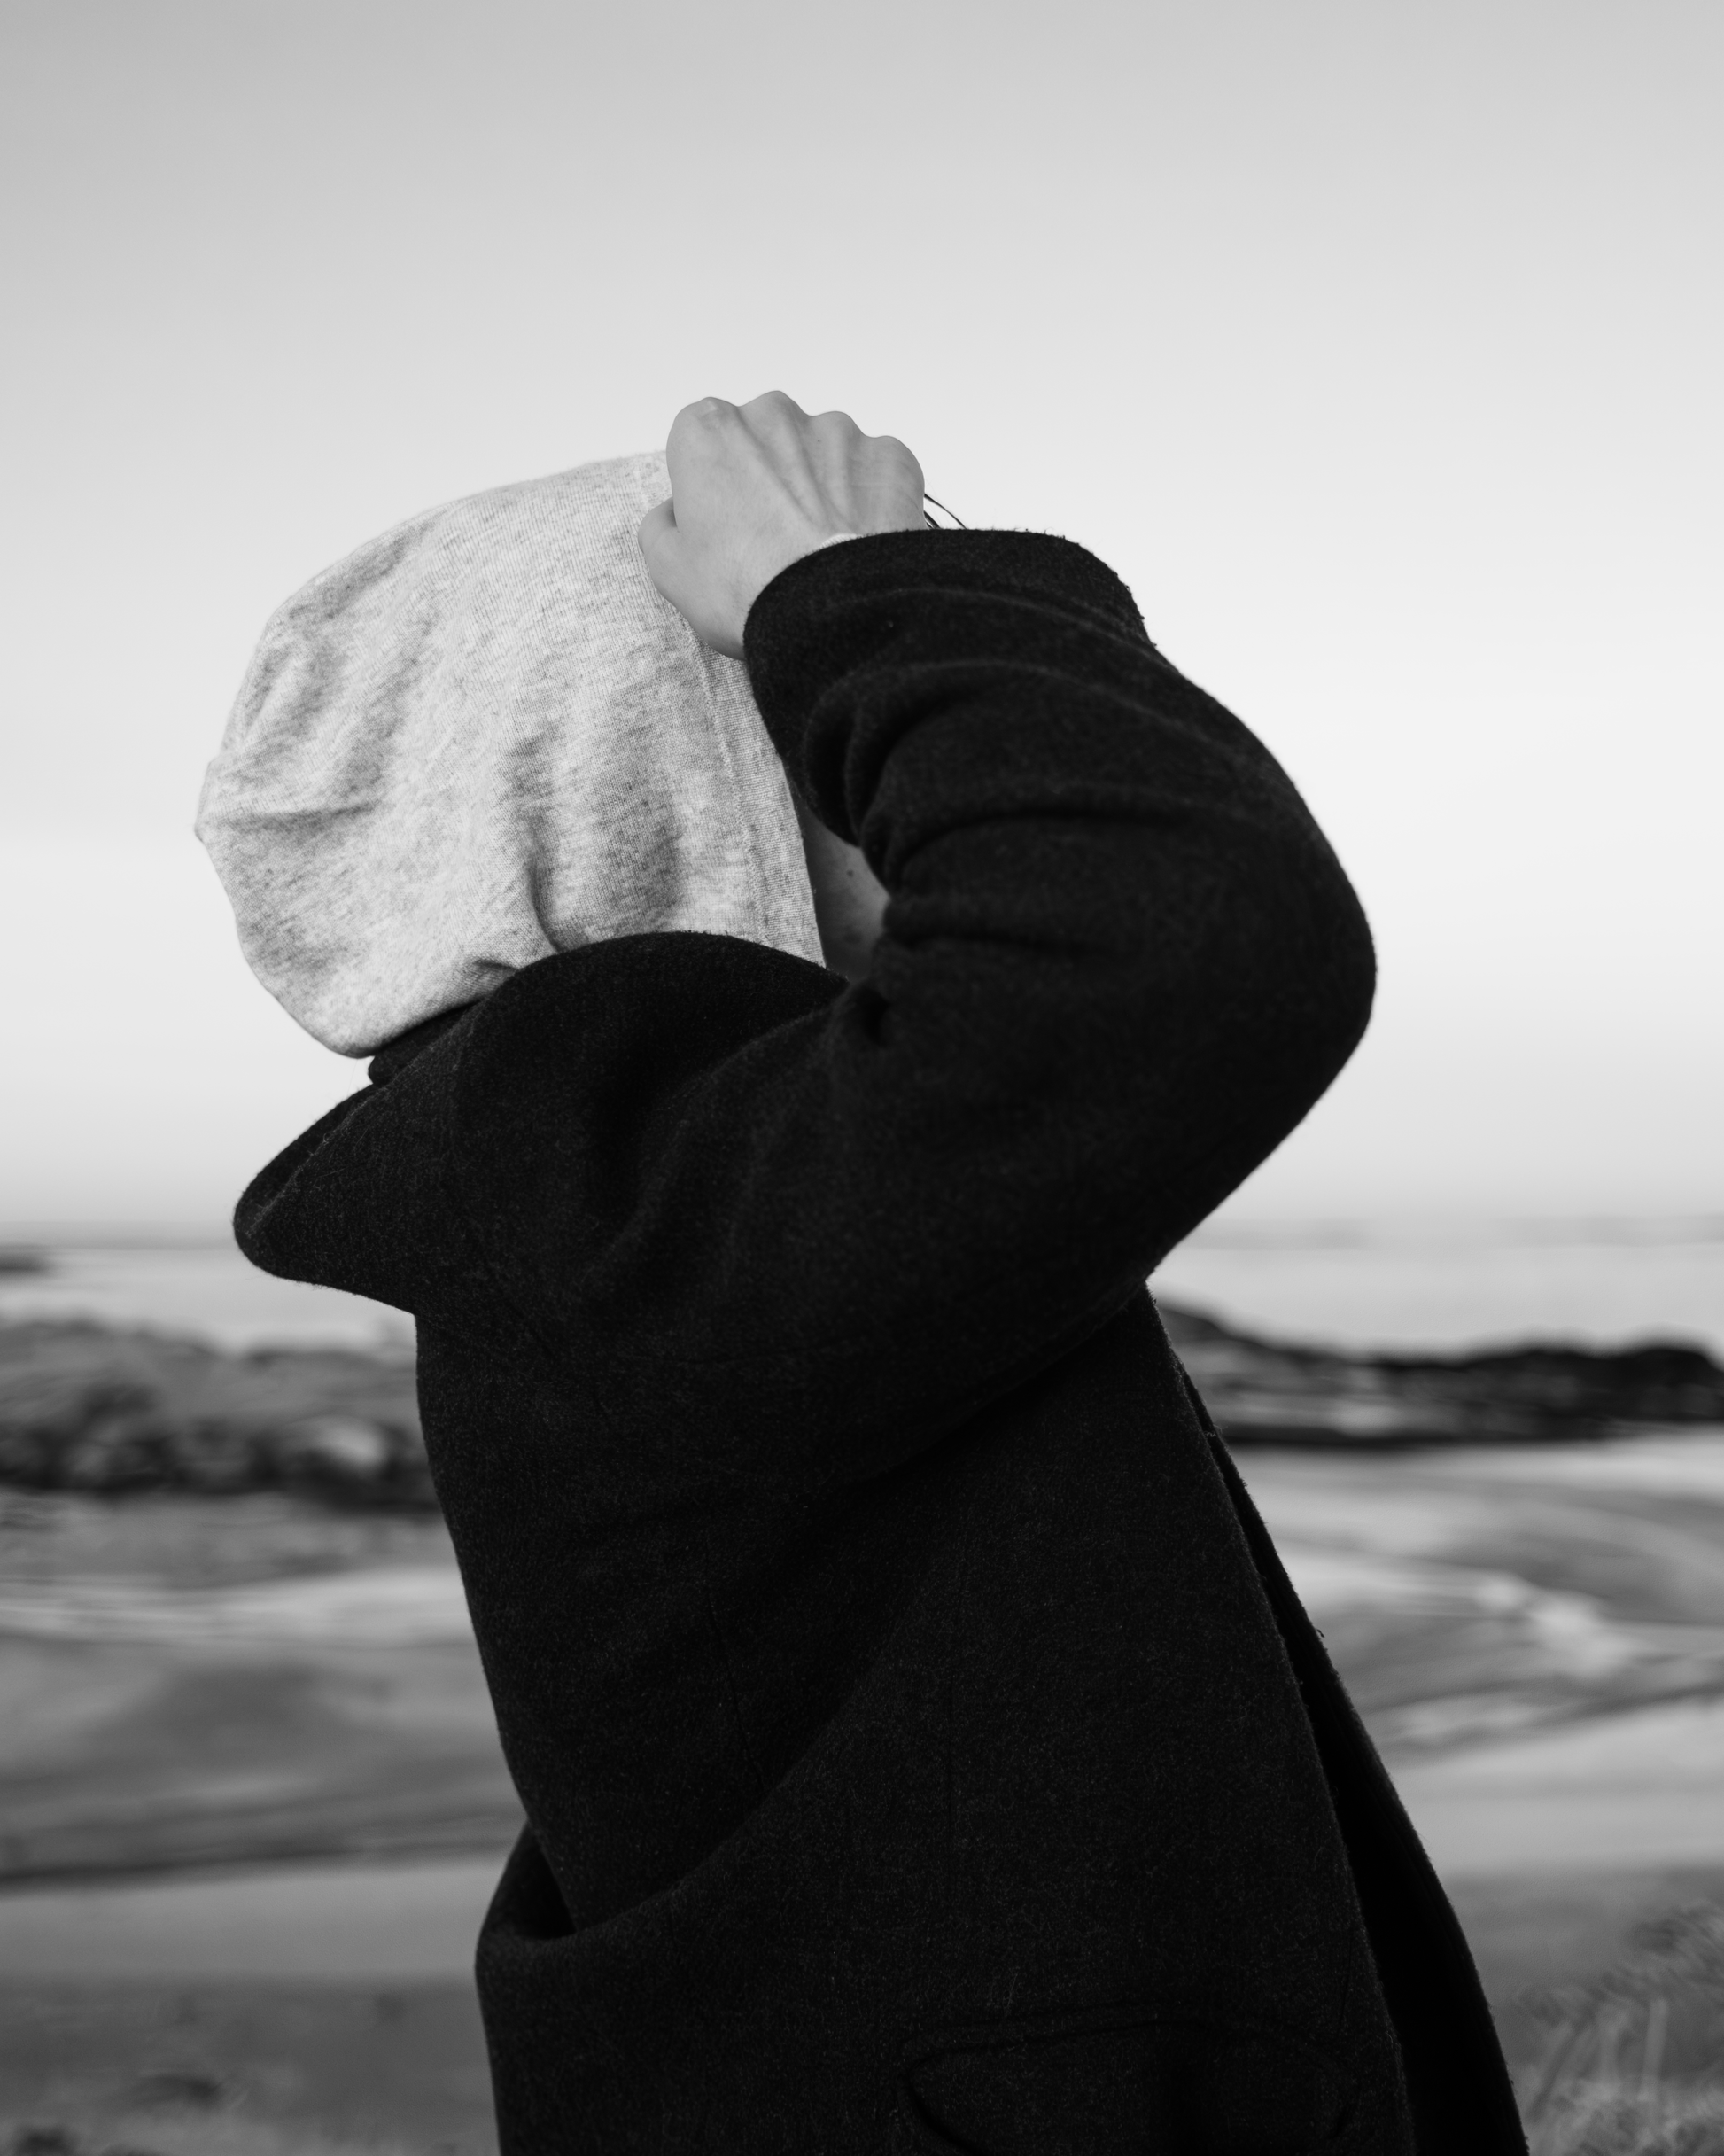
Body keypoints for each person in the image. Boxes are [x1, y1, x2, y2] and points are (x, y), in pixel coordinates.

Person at [201, 393, 1526, 2152]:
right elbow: (1196, 934)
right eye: (796, 707)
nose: (887, 787)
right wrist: (845, 585)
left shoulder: (615, 1180)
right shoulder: (626, 1181)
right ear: (645, 761)